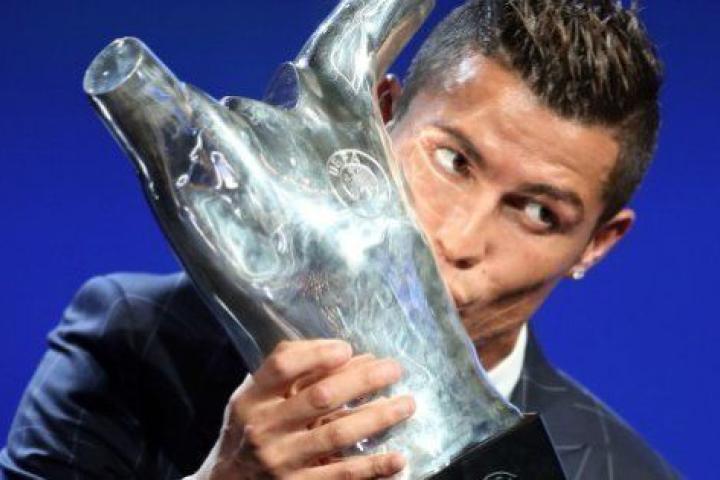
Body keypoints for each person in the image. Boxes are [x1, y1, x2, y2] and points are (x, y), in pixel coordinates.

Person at [1, 0, 680, 478]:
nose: (456, 237)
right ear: (376, 119)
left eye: (537, 212)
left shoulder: (624, 473)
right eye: (453, 162)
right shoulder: (132, 341)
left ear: (597, 244)